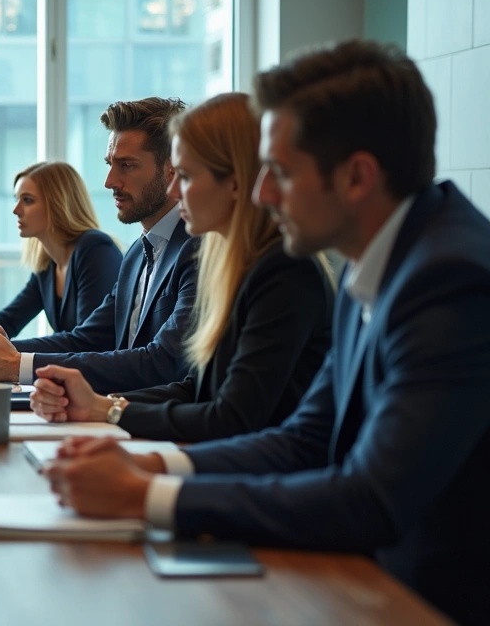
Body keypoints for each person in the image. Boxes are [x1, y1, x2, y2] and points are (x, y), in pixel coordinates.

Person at [41, 40, 490, 624]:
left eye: (279, 172)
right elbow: (305, 438)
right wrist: (149, 468)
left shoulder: (448, 280)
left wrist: (148, 495)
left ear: (357, 177)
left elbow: (370, 499)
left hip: (416, 601)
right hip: (353, 576)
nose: (261, 194)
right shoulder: (376, 257)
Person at [30, 93, 333, 442]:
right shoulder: (231, 262)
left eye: (185, 175)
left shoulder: (283, 271)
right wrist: (97, 406)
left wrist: (111, 415)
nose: (174, 188)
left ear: (235, 181)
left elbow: (232, 418)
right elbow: (197, 388)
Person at [0, 98, 199, 395]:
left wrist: (15, 364)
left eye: (127, 166)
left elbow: (162, 363)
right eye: (110, 165)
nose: (109, 181)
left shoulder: (198, 249)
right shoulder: (136, 254)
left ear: (171, 168)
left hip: (150, 423)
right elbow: (88, 339)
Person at [0, 161, 121, 338]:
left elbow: (88, 341)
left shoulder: (95, 249)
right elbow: (8, 321)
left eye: (27, 200)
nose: (16, 210)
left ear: (58, 204)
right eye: (17, 199)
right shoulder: (48, 266)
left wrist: (7, 351)